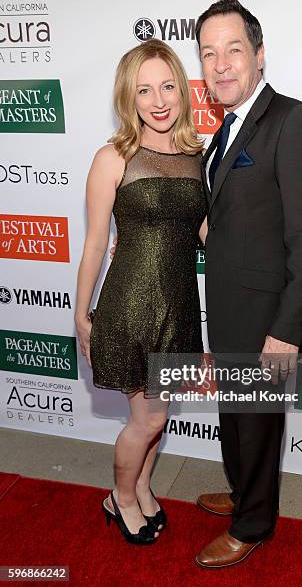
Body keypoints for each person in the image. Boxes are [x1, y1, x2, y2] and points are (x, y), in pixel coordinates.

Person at [194, 0, 302, 568]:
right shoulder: (226, 128)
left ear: (258, 55)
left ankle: (252, 523)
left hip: (267, 314)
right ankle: (244, 491)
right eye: (209, 54)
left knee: (254, 419)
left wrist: (287, 331)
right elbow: (240, 211)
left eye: (234, 50)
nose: (222, 64)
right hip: (229, 303)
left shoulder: (291, 120)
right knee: (237, 415)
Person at [74, 39, 206, 545]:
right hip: (130, 305)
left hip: (177, 307)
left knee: (159, 414)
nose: (158, 100)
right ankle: (120, 498)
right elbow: (93, 243)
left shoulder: (195, 156)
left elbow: (207, 233)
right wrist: (81, 314)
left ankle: (144, 487)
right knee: (147, 415)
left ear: (182, 90)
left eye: (168, 86)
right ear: (129, 98)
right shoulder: (114, 157)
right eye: (144, 90)